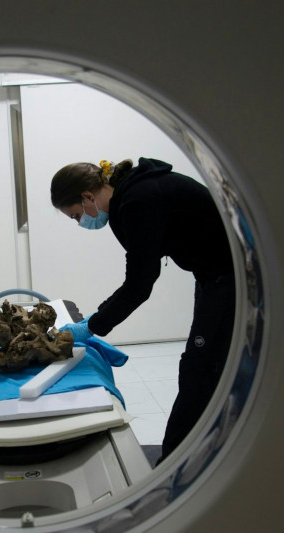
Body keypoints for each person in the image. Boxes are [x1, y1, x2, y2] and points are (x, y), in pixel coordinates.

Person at [50, 157, 235, 466]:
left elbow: (139, 284)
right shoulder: (132, 192)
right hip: (211, 274)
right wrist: (96, 320)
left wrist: (91, 326)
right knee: (205, 365)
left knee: (199, 370)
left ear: (87, 196)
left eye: (76, 215)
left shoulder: (137, 201)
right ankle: (202, 453)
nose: (80, 222)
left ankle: (174, 467)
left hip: (230, 276)